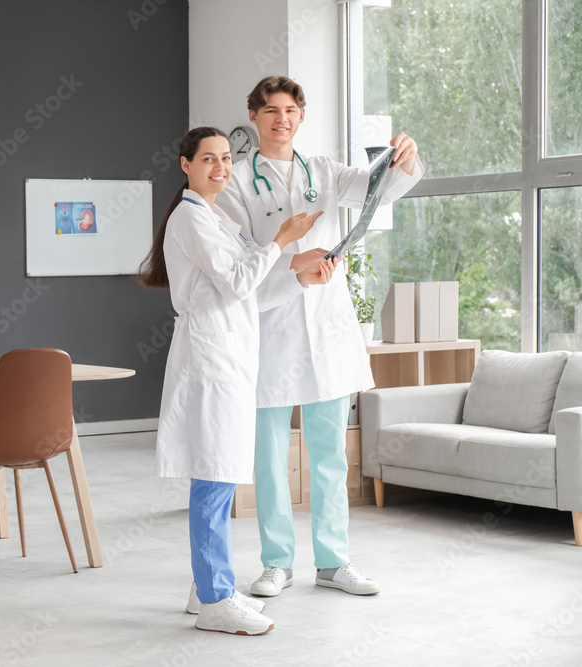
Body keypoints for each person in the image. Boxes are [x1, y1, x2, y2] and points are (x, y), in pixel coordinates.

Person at [215, 75, 424, 597]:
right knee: (268, 456)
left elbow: (387, 186)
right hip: (269, 329)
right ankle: (276, 563)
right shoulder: (237, 183)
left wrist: (406, 157)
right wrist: (291, 265)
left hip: (328, 331)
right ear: (255, 117)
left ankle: (333, 563)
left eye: (290, 110)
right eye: (270, 111)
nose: (281, 118)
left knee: (330, 454)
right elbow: (239, 264)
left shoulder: (326, 173)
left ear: (301, 117)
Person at [140, 126, 333, 636]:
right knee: (214, 477)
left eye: (227, 158)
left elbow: (248, 292)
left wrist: (298, 276)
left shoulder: (216, 218)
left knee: (220, 477)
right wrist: (282, 241)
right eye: (209, 159)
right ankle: (216, 599)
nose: (221, 168)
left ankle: (204, 587)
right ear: (185, 164)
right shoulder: (190, 218)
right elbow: (241, 280)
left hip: (229, 358)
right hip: (210, 362)